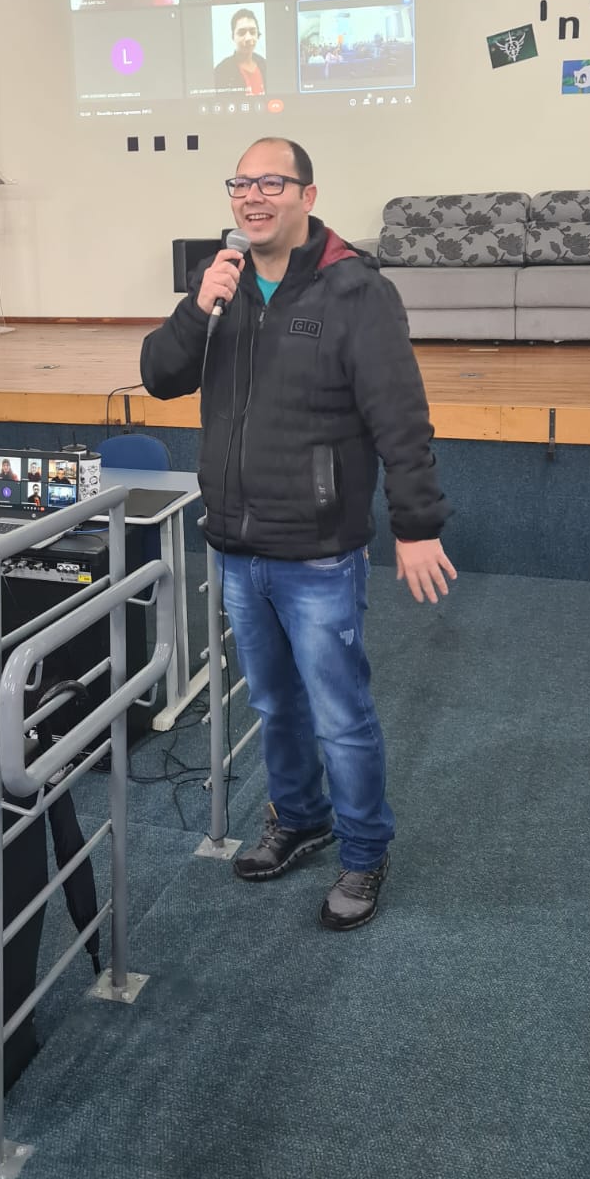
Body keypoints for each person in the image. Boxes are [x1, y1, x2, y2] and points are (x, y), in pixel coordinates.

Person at [140, 137, 455, 932]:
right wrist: (197, 305)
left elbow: (400, 416)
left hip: (317, 551)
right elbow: (159, 374)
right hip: (236, 545)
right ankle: (301, 817)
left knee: (339, 715)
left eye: (271, 183)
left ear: (307, 196)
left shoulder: (355, 289)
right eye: (241, 184)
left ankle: (364, 850)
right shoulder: (223, 284)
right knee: (274, 705)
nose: (253, 196)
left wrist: (416, 525)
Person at [213, 9, 266, 95]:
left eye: (252, 32)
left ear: (258, 35)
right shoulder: (221, 71)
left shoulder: (265, 65)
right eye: (242, 33)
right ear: (233, 37)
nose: (248, 38)